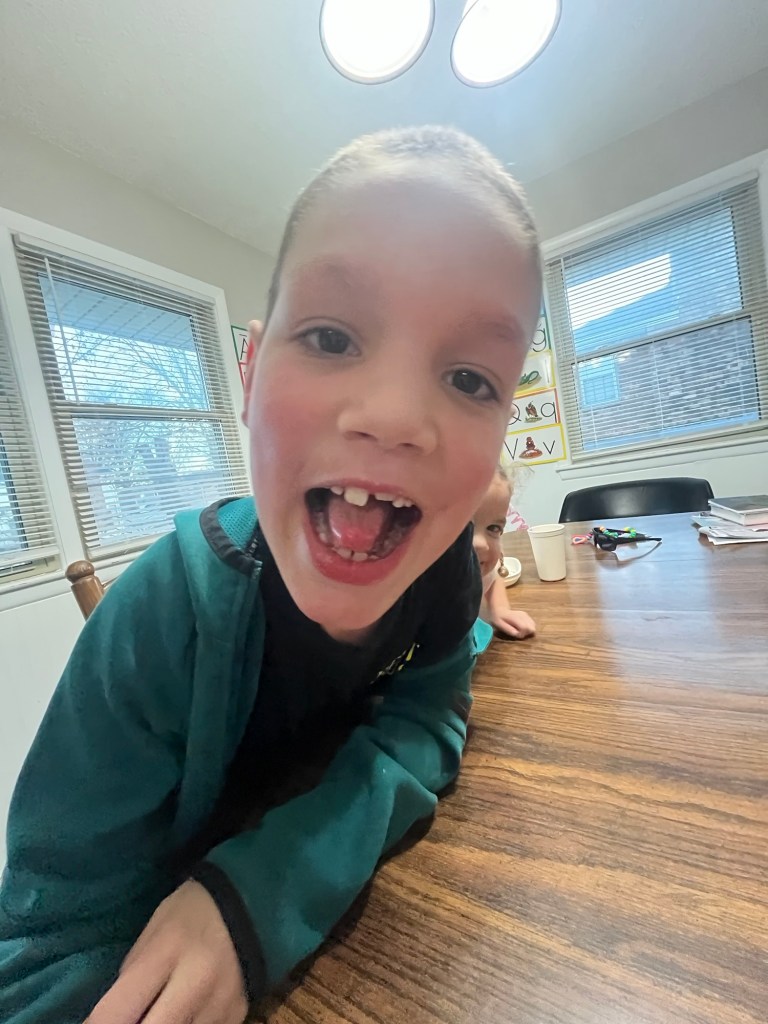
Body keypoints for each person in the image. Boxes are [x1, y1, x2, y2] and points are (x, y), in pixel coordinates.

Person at [0, 125, 542, 1024]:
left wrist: (257, 890)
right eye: (330, 335)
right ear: (248, 375)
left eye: (471, 379)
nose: (393, 416)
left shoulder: (447, 573)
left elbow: (431, 716)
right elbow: (38, 955)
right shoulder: (160, 618)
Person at [473, 467, 536, 641]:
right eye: (463, 525)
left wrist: (499, 609)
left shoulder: (477, 565)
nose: (481, 543)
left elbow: (493, 576)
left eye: (493, 528)